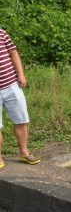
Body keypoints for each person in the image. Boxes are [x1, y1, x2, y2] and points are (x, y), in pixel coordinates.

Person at [0, 28, 40, 169]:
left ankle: (24, 152)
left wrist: (21, 74)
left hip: (12, 85)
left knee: (21, 120)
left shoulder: (2, 33)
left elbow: (13, 53)